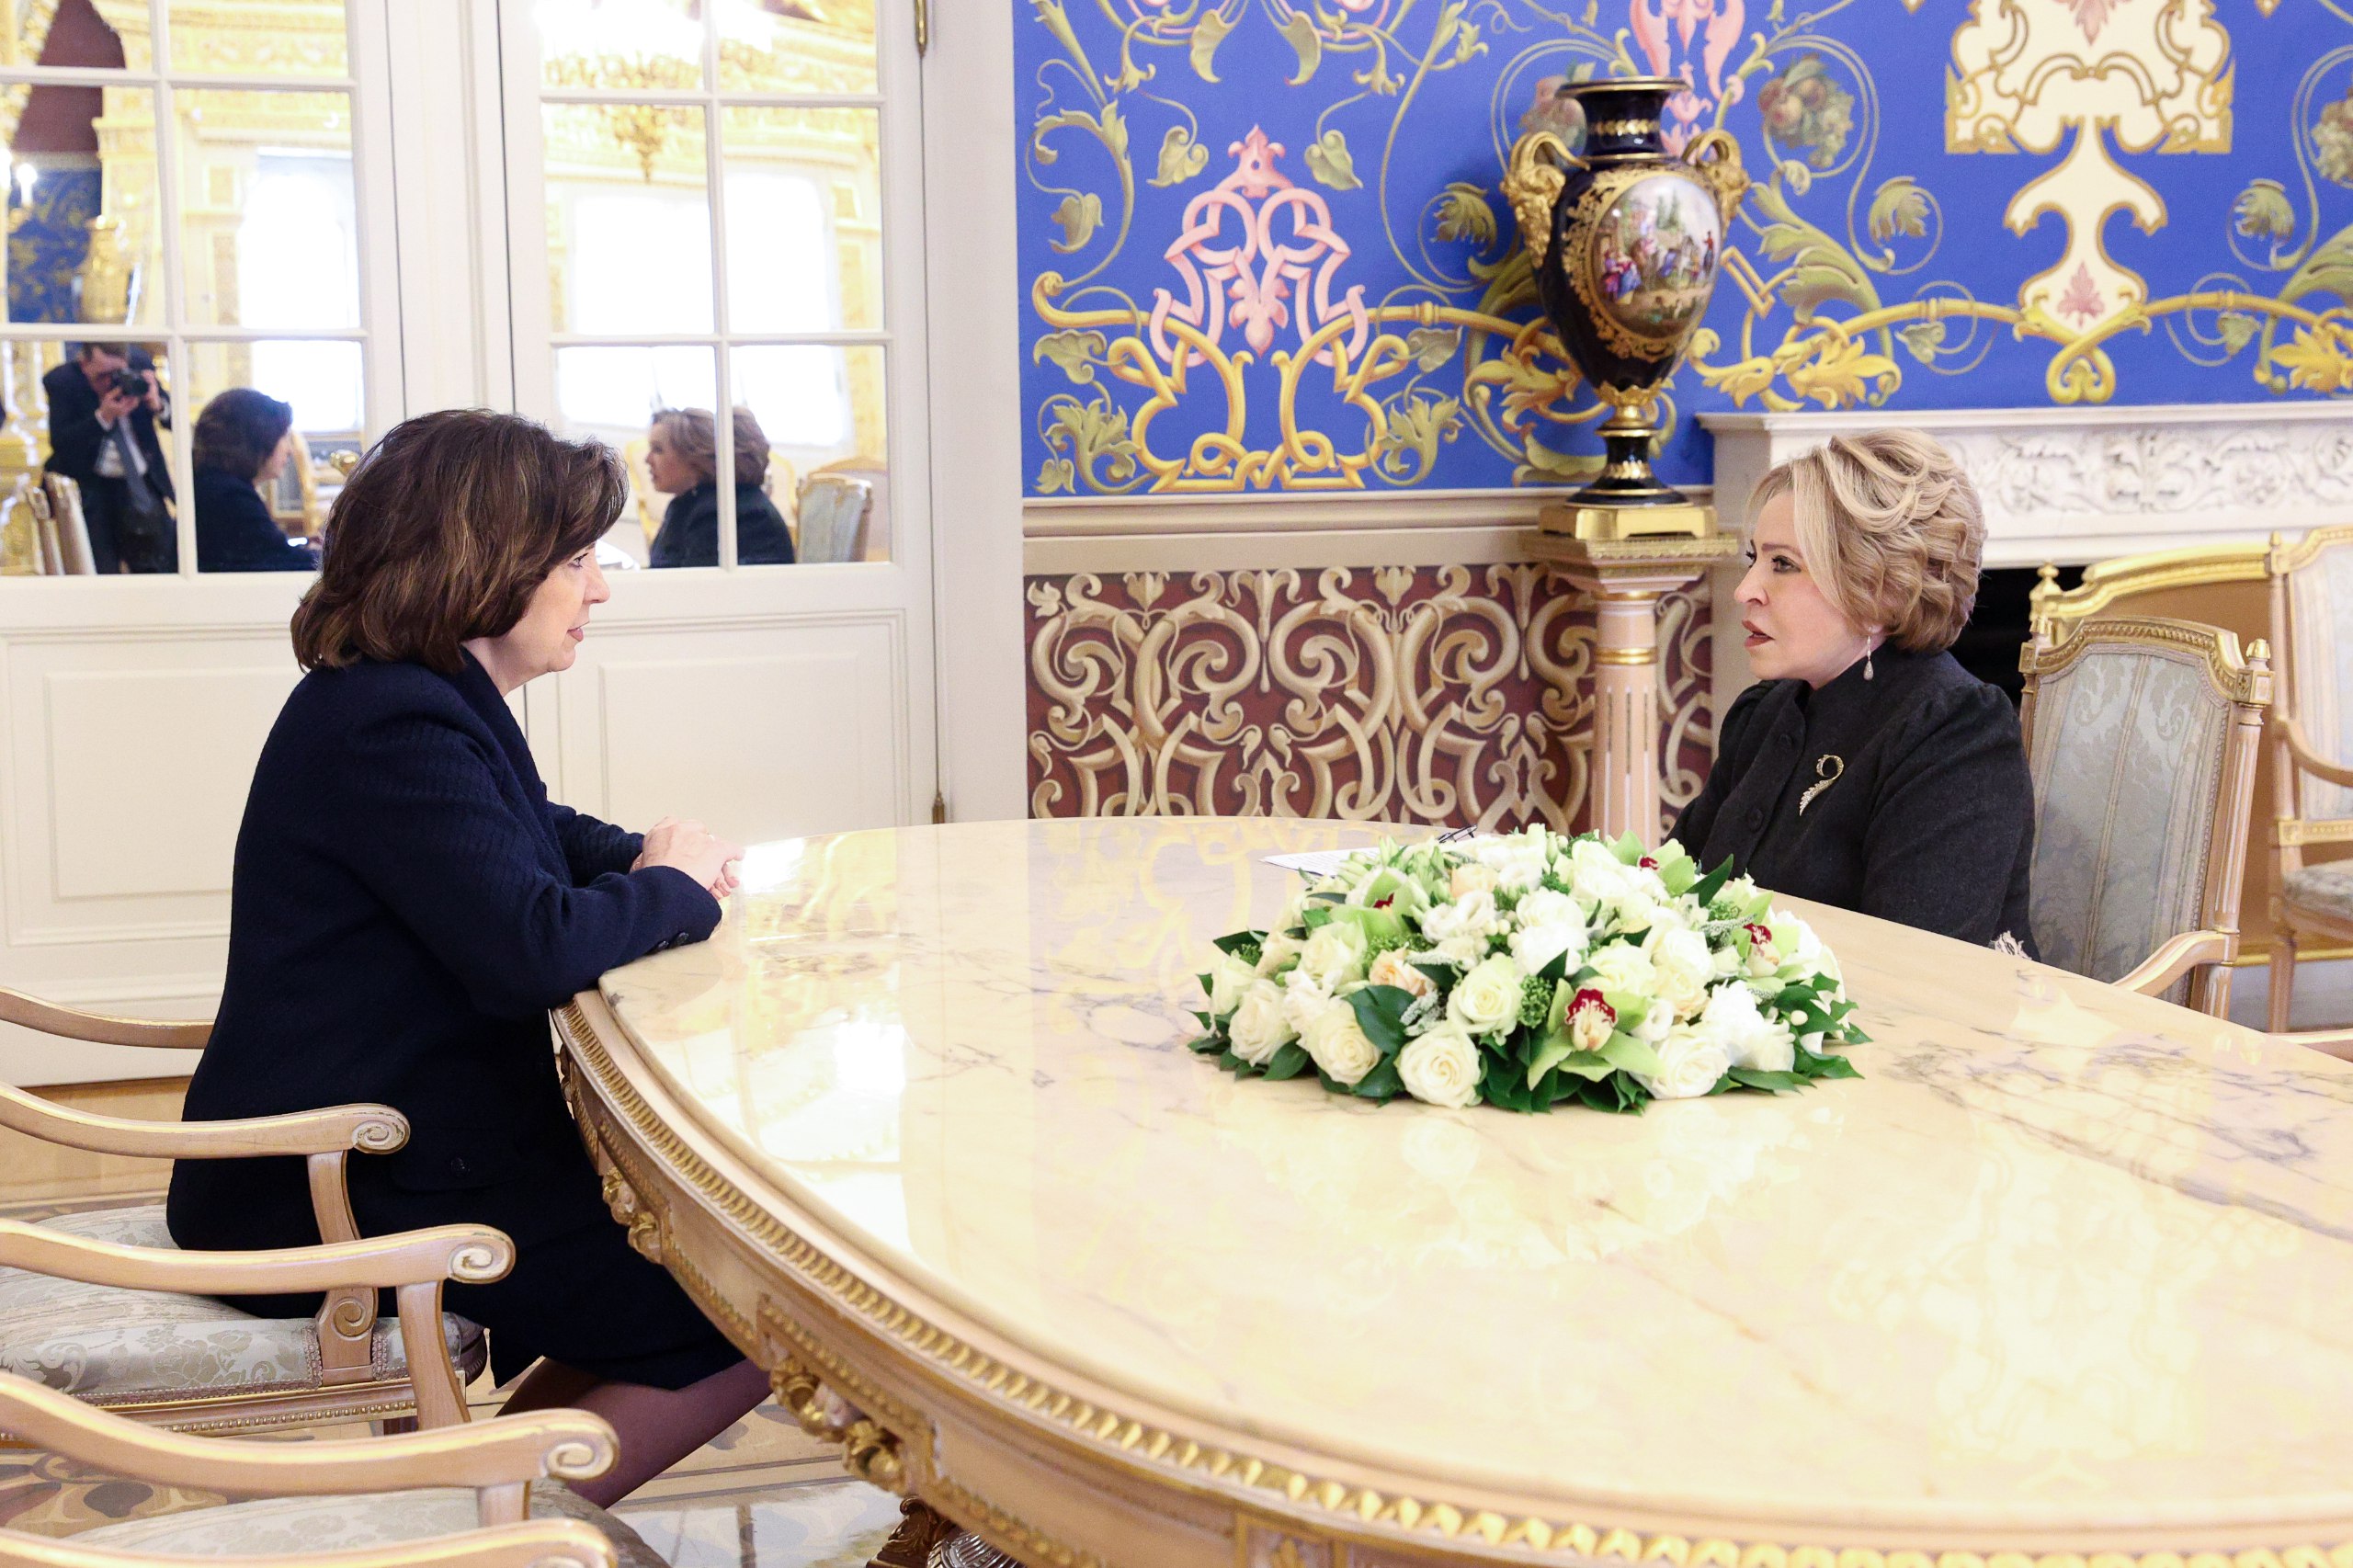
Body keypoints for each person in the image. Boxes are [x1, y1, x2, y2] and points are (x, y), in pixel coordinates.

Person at [165, 410, 768, 1505]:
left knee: (692, 1287)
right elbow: (530, 951)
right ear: (487, 562)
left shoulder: (411, 694)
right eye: (576, 560)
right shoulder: (392, 720)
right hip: (334, 1185)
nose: (598, 589)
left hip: (397, 1149)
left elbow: (524, 833)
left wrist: (642, 852)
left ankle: (449, 1508)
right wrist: (674, 888)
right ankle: (466, 1539)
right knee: (757, 1311)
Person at [1669, 429, 2036, 950]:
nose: (1745, 590)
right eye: (1754, 559)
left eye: (1783, 564)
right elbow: (1670, 891)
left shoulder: (1957, 734)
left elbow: (1915, 968)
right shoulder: (1764, 713)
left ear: (1879, 588)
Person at [42, 342, 175, 574]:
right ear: (84, 364)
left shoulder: (140, 367)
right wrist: (103, 417)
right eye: (102, 376)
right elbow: (61, 443)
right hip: (93, 489)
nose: (110, 382)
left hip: (142, 484)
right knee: (101, 572)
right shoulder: (63, 382)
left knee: (161, 568)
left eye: (117, 373)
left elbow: (174, 420)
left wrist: (157, 404)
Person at [644, 406, 796, 568]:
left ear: (696, 456)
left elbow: (694, 581)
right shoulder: (687, 504)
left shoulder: (721, 513)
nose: (647, 459)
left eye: (658, 450)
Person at [191, 388, 317, 573]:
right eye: (284, 437)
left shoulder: (217, 484)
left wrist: (306, 547)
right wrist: (329, 554)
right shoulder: (231, 497)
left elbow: (267, 552)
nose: (289, 450)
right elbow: (283, 562)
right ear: (259, 437)